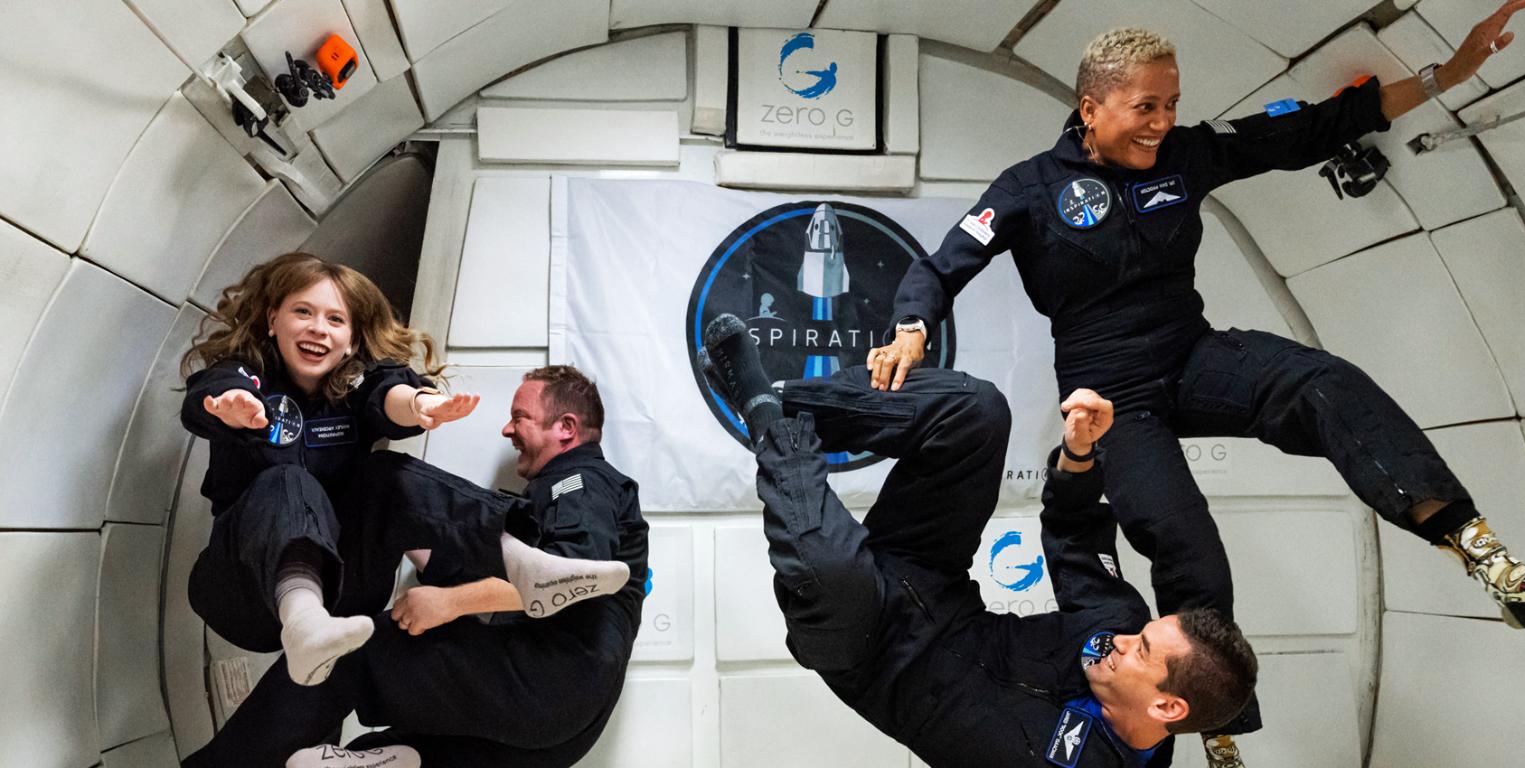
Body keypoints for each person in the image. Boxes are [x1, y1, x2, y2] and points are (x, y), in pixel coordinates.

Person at [867, 3, 1525, 761]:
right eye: (1146, 106)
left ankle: (1491, 564)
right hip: (1112, 396)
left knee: (1324, 382)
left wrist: (1448, 75)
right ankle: (1218, 734)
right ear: (1091, 107)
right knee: (1188, 547)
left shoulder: (1187, 154)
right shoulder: (1028, 187)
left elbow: (1313, 127)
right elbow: (942, 265)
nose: (1162, 122)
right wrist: (912, 325)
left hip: (1194, 355)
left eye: (1172, 104)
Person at [699, 314, 1256, 768]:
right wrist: (1079, 454)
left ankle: (761, 409)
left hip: (865, 649)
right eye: (1142, 634)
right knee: (979, 411)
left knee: (829, 566)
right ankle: (787, 402)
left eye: (1143, 652)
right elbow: (1074, 534)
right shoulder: (1115, 629)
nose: (1124, 641)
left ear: (1166, 706)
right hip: (931, 581)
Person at [180, 253, 627, 689]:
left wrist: (421, 403)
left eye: (335, 319)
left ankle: (521, 562)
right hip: (245, 589)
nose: (318, 327)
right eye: (303, 312)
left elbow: (387, 390)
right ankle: (303, 619)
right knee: (288, 482)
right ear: (273, 320)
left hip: (343, 588)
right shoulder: (245, 377)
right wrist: (230, 406)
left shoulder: (352, 385)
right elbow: (214, 392)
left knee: (382, 472)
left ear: (351, 340)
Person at [182, 365, 649, 768]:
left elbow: (577, 566)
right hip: (564, 726)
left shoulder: (578, 479)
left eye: (519, 417)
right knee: (388, 755)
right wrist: (402, 529)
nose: (508, 430)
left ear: (566, 427)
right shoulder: (586, 493)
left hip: (548, 678)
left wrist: (451, 601)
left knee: (343, 654)